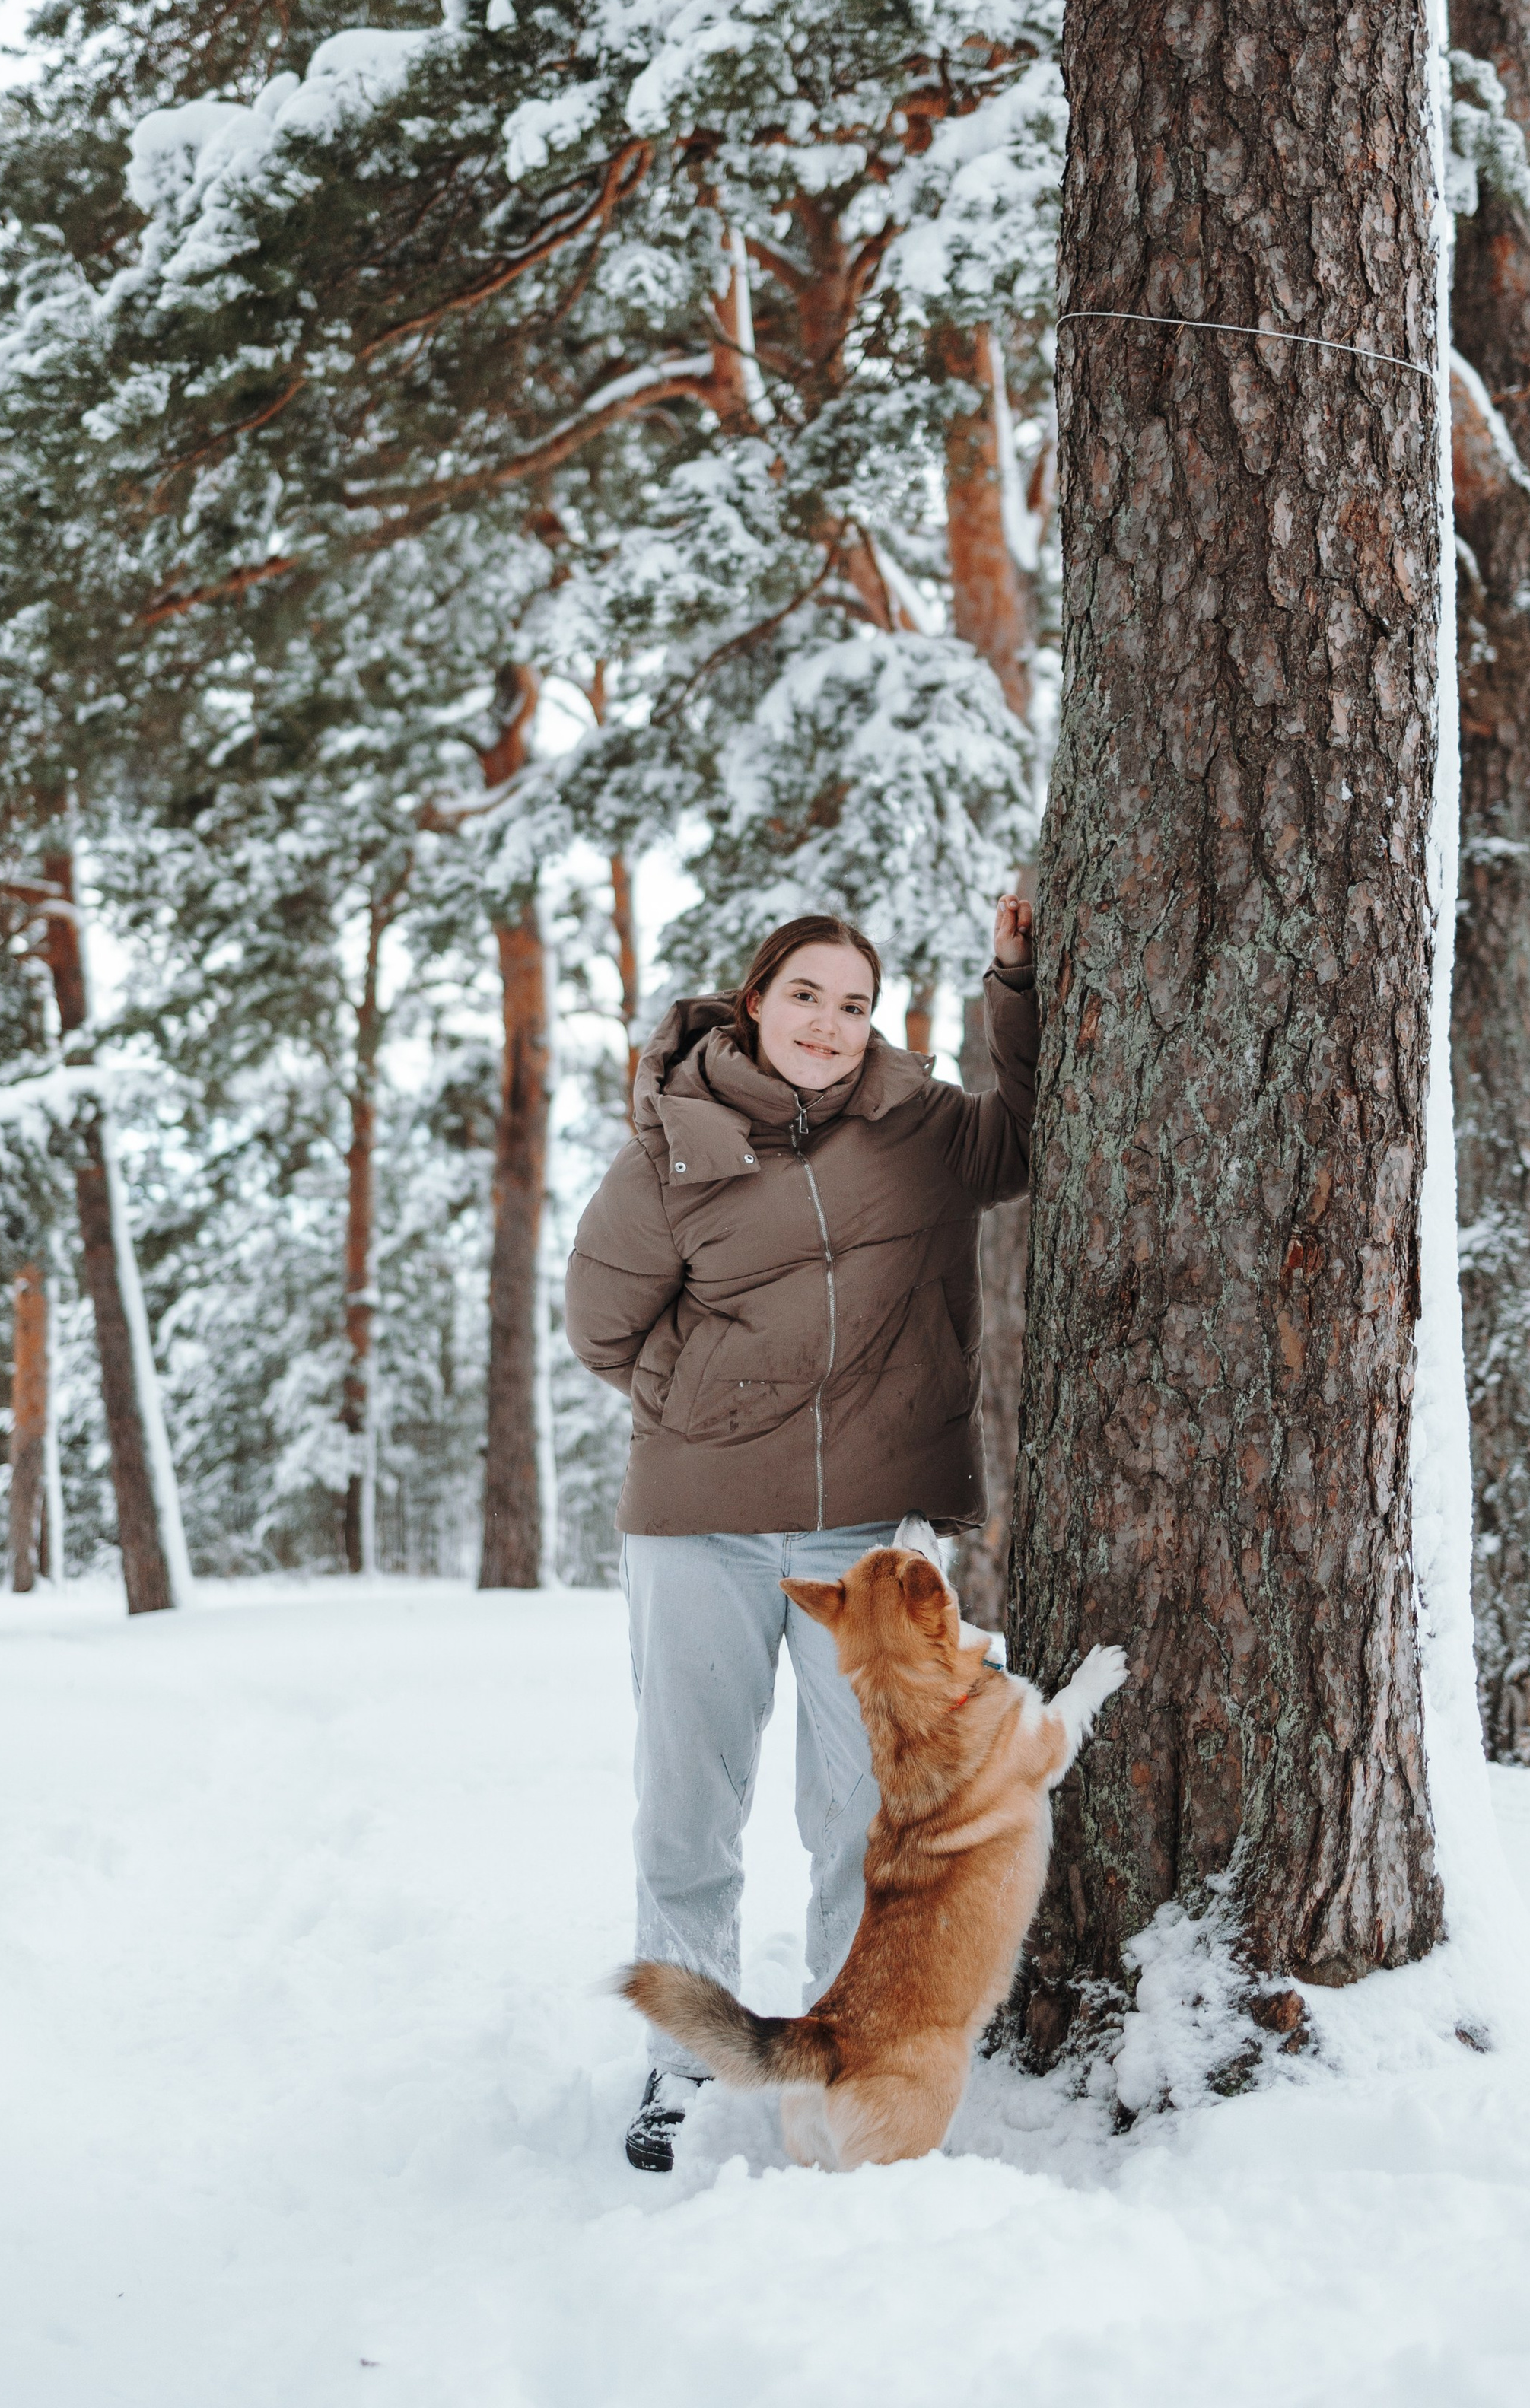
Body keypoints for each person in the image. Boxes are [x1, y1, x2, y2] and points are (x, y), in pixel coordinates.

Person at [563, 899, 1038, 2169]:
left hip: (865, 1538)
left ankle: (847, 2053)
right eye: (807, 994)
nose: (830, 1023)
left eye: (853, 1002)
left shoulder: (916, 1126)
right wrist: (706, 1405)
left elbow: (1025, 1140)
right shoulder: (677, 1140)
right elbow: (600, 1325)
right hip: (697, 1529)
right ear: (756, 999)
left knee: (866, 1812)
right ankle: (679, 2061)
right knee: (688, 1807)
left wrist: (1012, 982)